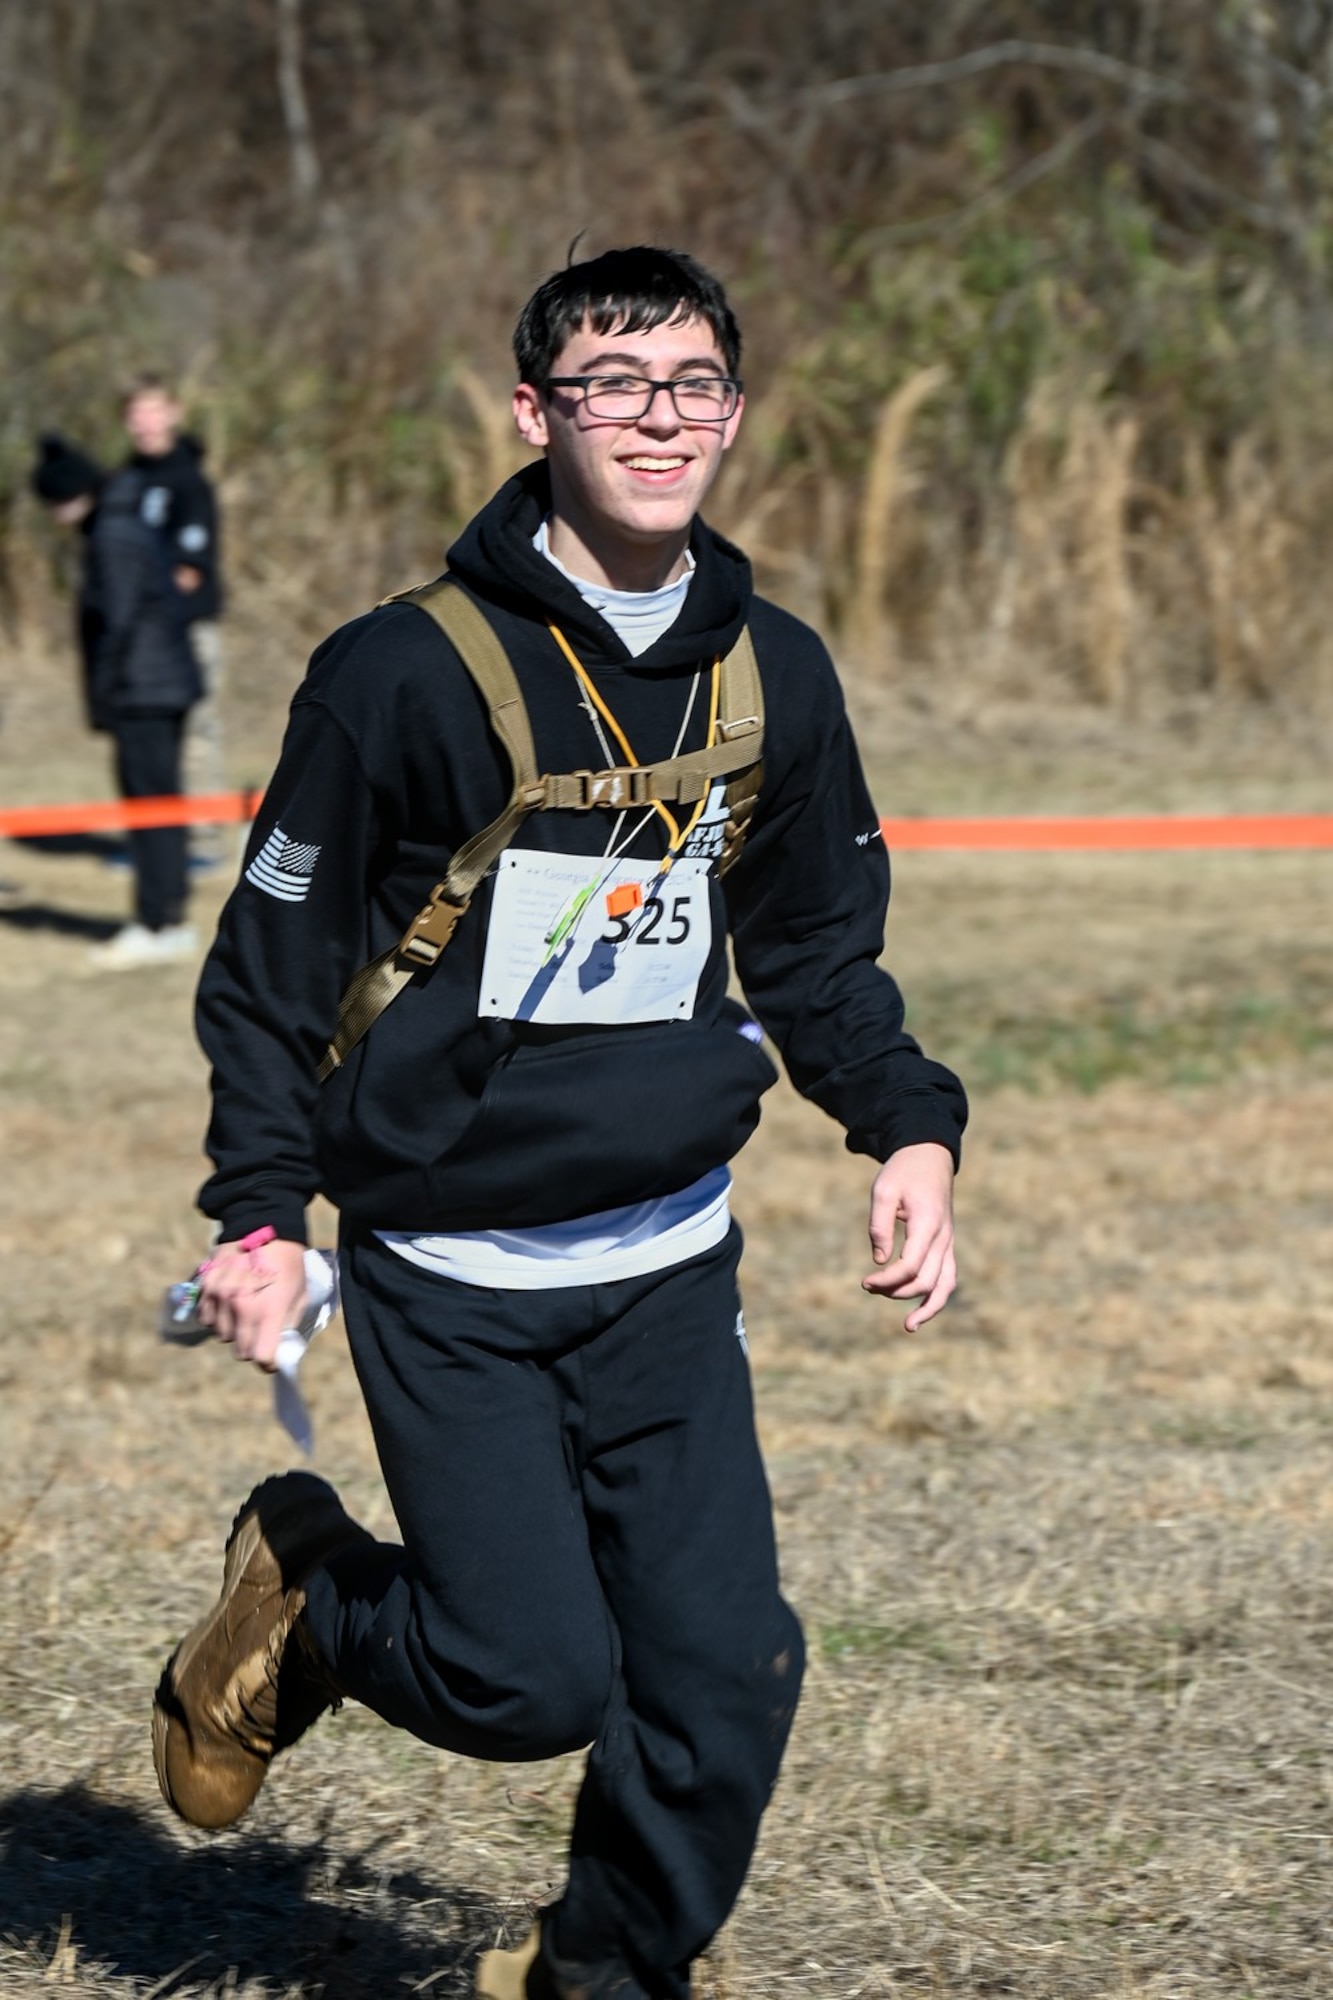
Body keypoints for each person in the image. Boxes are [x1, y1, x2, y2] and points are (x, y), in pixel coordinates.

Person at [152, 247, 968, 1999]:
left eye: (691, 385)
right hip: (454, 1269)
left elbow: (819, 953)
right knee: (526, 1680)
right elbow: (273, 969)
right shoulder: (396, 673)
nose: (656, 418)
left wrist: (907, 1130)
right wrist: (256, 1216)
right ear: (536, 413)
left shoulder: (775, 677)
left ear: (733, 417)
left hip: (668, 1264)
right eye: (613, 383)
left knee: (724, 1671)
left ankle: (593, 1974)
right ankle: (304, 1590)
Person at [30, 434, 202, 967]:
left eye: (57, 504)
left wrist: (103, 694)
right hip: (156, 684)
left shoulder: (113, 534)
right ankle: (167, 918)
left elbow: (117, 622)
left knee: (150, 806)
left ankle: (156, 922)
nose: (56, 517)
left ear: (76, 494)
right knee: (160, 803)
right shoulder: (124, 520)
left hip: (143, 690)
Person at [122, 374, 228, 868]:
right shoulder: (127, 478)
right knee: (146, 740)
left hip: (185, 630)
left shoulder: (188, 479)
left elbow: (189, 569)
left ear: (173, 414)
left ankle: (204, 840)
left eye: (153, 409)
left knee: (196, 733)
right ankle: (155, 839)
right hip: (139, 636)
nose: (145, 421)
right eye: (136, 411)